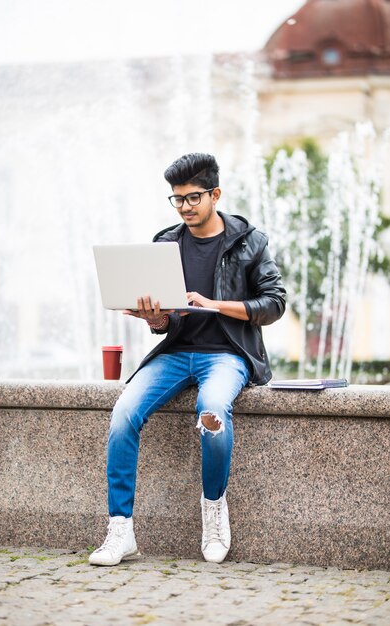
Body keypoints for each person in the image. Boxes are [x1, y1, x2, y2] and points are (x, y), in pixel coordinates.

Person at [89, 153, 286, 567]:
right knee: (124, 412)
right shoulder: (165, 244)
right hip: (176, 355)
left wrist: (215, 304)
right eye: (177, 199)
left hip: (228, 355)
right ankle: (120, 529)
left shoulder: (251, 241)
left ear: (215, 193)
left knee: (212, 410)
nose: (184, 207)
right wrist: (153, 316)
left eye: (193, 197)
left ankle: (213, 512)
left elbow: (274, 304)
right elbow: (166, 323)